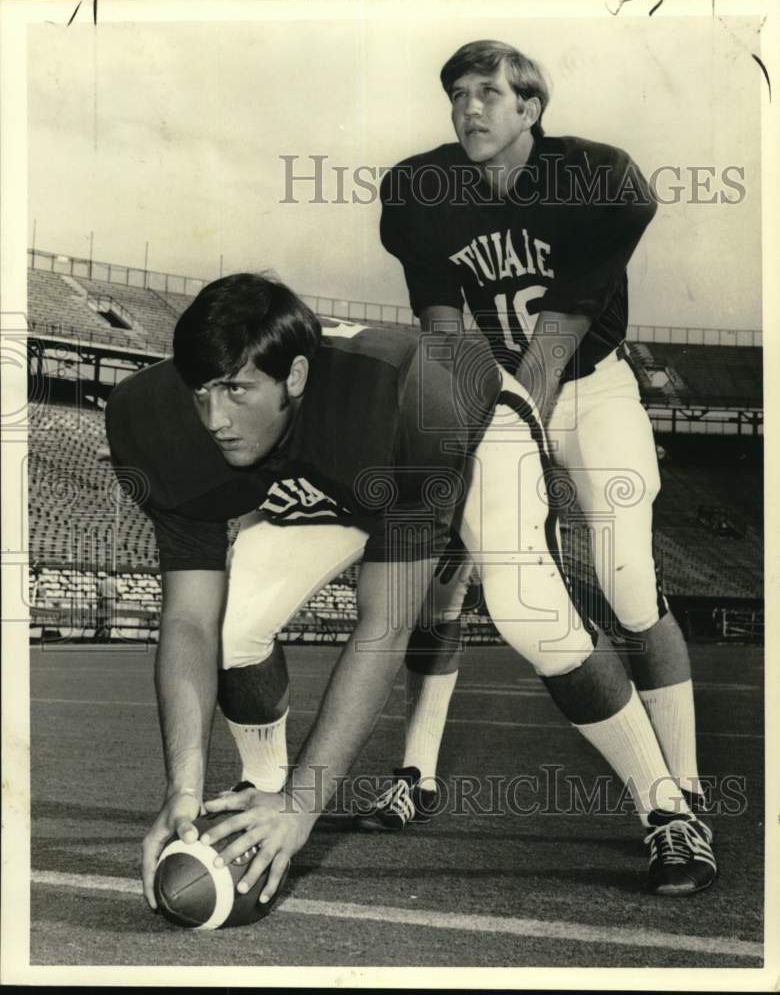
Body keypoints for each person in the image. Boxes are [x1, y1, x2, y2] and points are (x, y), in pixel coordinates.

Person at [106, 273, 714, 910]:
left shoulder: (402, 397)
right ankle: (255, 792)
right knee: (234, 627)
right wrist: (182, 787)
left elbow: (384, 627)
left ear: (296, 377)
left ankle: (668, 809)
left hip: (466, 429)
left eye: (236, 390)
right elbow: (190, 623)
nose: (214, 419)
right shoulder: (151, 419)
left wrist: (304, 810)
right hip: (329, 467)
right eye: (201, 389)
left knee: (531, 615)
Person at [359, 38, 715, 880]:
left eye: (488, 92)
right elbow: (445, 331)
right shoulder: (421, 189)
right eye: (456, 94)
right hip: (485, 391)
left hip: (587, 385)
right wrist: (478, 422)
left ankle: (686, 789)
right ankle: (429, 774)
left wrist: (518, 409)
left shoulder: (597, 178)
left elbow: (559, 336)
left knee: (627, 583)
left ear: (531, 108)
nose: (468, 107)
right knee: (486, 594)